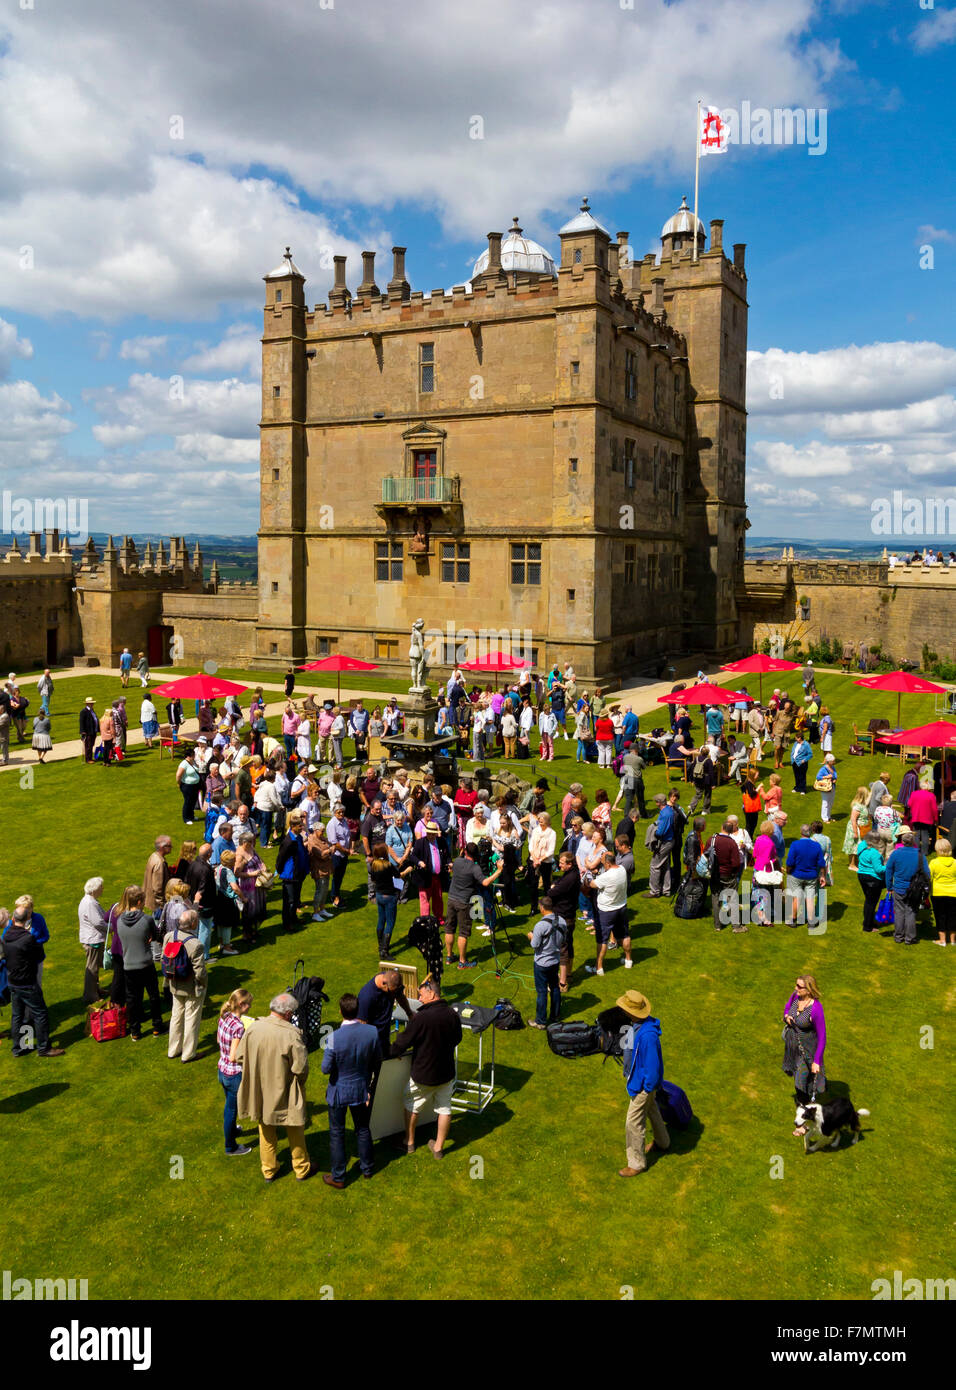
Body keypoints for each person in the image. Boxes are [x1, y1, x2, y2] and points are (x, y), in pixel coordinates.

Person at [235, 992, 317, 1182]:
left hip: (260, 1089)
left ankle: (269, 1170)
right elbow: (301, 1068)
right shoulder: (291, 1034)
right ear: (288, 1014)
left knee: (266, 1130)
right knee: (295, 1127)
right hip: (286, 1089)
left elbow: (240, 1057)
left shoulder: (253, 1028)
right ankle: (301, 1168)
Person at [391, 976, 463, 1158]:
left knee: (411, 1105)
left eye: (421, 995)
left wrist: (389, 1052)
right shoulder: (452, 1014)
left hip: (423, 1074)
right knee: (445, 1108)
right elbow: (457, 1039)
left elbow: (401, 1043)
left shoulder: (421, 1018)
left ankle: (409, 1142)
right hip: (446, 1072)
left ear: (432, 994)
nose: (420, 1000)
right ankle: (438, 1148)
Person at [321, 993, 382, 1187]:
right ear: (357, 1010)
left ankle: (338, 1176)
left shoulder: (333, 1038)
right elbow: (377, 1060)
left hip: (338, 1091)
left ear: (340, 1012)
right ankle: (367, 1168)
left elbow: (325, 1068)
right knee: (363, 1129)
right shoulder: (372, 1032)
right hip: (360, 1089)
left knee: (337, 1133)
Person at [618, 990, 669, 1178]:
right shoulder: (638, 1025)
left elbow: (653, 1067)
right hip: (641, 1083)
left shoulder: (647, 1036)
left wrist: (646, 1088)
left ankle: (636, 1163)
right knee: (652, 1110)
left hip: (642, 1087)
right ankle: (663, 1142)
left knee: (633, 1122)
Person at [0, 909, 64, 1056]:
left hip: (13, 982)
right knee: (40, 1013)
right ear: (26, 921)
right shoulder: (28, 938)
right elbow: (39, 955)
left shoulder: (6, 935)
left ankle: (21, 1047)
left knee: (18, 1016)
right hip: (27, 982)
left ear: (14, 920)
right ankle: (44, 1048)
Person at [115, 886, 163, 1039]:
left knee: (132, 999)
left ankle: (135, 1031)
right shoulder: (146, 919)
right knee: (153, 996)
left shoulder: (119, 920)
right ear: (140, 901)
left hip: (128, 965)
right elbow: (155, 936)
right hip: (146, 964)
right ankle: (157, 1027)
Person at [782, 975, 826, 1134]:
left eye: (799, 987)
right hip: (793, 1048)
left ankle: (802, 1123)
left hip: (808, 1050)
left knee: (800, 1082)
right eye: (796, 985)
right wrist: (787, 1016)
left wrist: (816, 1061)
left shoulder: (816, 1009)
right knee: (800, 1080)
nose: (795, 989)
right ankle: (809, 1113)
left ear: (809, 989)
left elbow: (822, 1037)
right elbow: (787, 1007)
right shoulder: (796, 996)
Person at [163, 907, 207, 1063]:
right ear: (194, 923)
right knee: (191, 1018)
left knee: (176, 1016)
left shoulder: (169, 936)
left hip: (175, 983)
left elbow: (165, 958)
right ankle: (188, 1053)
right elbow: (200, 971)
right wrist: (202, 985)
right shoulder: (196, 944)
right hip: (191, 987)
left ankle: (173, 1049)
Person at [217, 989, 254, 1156]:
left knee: (229, 1106)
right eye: (249, 1005)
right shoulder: (239, 1026)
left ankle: (232, 1130)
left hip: (221, 1069)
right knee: (231, 1111)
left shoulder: (224, 1016)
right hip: (233, 1074)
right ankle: (230, 1146)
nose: (250, 1008)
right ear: (242, 1005)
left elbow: (220, 1041)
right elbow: (234, 1057)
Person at [587, 851, 632, 975]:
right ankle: (628, 960)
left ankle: (599, 967)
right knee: (624, 935)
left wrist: (590, 877)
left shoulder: (606, 877)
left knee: (602, 940)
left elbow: (592, 884)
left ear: (607, 863)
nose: (602, 865)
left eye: (602, 862)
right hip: (621, 907)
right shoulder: (622, 869)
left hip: (606, 911)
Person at [884, 830, 929, 946]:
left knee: (899, 912)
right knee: (911, 912)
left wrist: (889, 886)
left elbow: (888, 870)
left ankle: (898, 936)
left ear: (902, 842)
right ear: (913, 841)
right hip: (915, 889)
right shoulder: (920, 855)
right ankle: (910, 938)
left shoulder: (895, 854)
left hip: (899, 887)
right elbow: (927, 874)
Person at [527, 897, 565, 1029]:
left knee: (542, 992)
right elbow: (563, 939)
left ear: (542, 908)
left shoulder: (540, 925)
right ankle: (555, 1016)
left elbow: (535, 945)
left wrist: (531, 936)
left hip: (542, 963)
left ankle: (540, 1021)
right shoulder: (562, 921)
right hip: (555, 961)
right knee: (555, 987)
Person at [357, 968, 413, 1059]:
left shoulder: (392, 982)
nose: (394, 995)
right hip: (372, 1043)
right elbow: (361, 1025)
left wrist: (409, 1013)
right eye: (392, 992)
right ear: (384, 983)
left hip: (384, 1038)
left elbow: (400, 996)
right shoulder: (366, 997)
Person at [785, 824, 827, 929]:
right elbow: (822, 863)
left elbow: (789, 862)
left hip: (797, 875)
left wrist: (788, 871)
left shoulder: (795, 844)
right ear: (810, 833)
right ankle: (811, 922)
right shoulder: (817, 846)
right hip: (811, 876)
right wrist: (823, 876)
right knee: (810, 898)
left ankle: (793, 920)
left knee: (797, 897)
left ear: (801, 832)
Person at [707, 821, 744, 932]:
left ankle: (717, 926)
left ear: (721, 827)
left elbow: (705, 854)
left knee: (715, 897)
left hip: (714, 874)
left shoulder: (711, 840)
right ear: (732, 830)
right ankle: (736, 926)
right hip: (728, 875)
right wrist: (734, 873)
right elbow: (736, 863)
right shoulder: (732, 843)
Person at [78, 876, 109, 1004]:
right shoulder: (90, 903)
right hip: (93, 940)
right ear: (94, 890)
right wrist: (112, 928)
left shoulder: (90, 900)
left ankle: (96, 989)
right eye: (101, 887)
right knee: (92, 968)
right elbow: (98, 922)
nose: (102, 889)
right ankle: (91, 996)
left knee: (95, 966)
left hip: (92, 938)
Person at [276, 813, 310, 932]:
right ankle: (287, 923)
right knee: (289, 901)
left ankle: (294, 918)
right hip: (289, 875)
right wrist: (280, 871)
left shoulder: (299, 837)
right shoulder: (288, 841)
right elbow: (280, 858)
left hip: (298, 873)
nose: (302, 828)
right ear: (293, 826)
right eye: (300, 826)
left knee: (295, 899)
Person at [857, 831, 888, 933]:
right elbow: (879, 869)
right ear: (875, 841)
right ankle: (867, 926)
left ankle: (868, 921)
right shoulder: (874, 853)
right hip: (873, 880)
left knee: (868, 900)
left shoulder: (861, 845)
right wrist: (888, 866)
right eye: (878, 839)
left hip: (861, 876)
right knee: (871, 903)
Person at [929, 837, 956, 947]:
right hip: (954, 892)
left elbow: (929, 878)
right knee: (953, 916)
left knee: (940, 916)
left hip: (937, 892)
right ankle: (953, 940)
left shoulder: (934, 863)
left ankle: (942, 940)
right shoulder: (955, 862)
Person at [907, 783, 938, 857]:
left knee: (916, 835)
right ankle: (924, 852)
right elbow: (934, 809)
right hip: (927, 818)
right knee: (925, 835)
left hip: (916, 817)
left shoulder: (914, 794)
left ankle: (915, 851)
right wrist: (936, 819)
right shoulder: (931, 795)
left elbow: (909, 804)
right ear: (928, 788)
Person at [813, 753, 838, 823]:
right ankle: (824, 818)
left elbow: (835, 775)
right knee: (825, 803)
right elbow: (818, 777)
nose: (834, 762)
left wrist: (835, 779)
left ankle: (829, 816)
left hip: (832, 786)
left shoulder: (833, 767)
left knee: (831, 802)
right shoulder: (823, 769)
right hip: (825, 788)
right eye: (833, 761)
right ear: (829, 761)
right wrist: (826, 777)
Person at [79, 696, 99, 763]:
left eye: (92, 703)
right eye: (91, 703)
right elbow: (81, 722)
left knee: (91, 744)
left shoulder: (92, 710)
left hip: (93, 731)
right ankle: (88, 759)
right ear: (87, 704)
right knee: (88, 745)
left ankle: (90, 757)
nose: (92, 704)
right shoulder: (83, 711)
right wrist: (82, 731)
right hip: (88, 731)